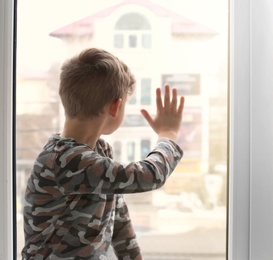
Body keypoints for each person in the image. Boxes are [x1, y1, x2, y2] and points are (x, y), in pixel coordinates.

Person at [22, 48, 185, 259]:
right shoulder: (65, 159)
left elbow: (118, 217)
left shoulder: (99, 151)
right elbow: (149, 175)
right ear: (116, 107)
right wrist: (168, 134)